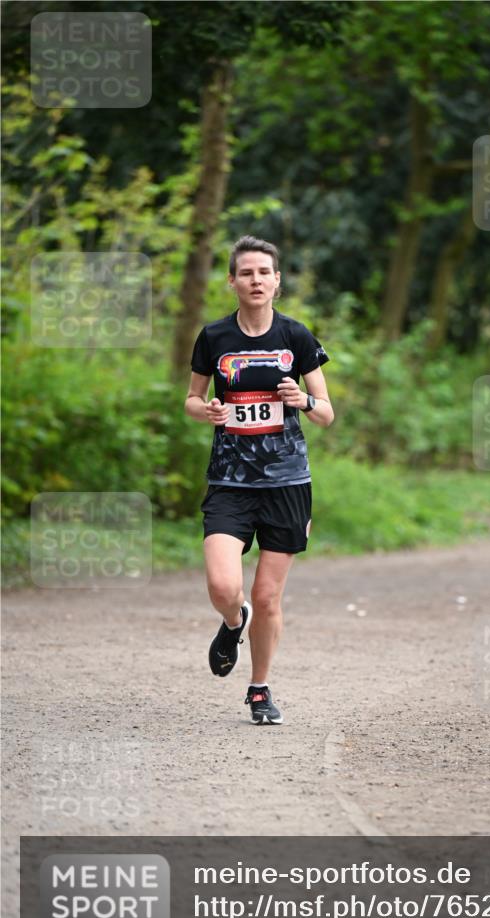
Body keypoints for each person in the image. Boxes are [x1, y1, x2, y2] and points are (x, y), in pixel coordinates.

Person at [184, 235, 334, 725]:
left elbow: (327, 413)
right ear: (232, 281)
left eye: (264, 273)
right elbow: (191, 399)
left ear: (276, 281)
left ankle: (259, 689)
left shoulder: (296, 337)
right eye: (246, 273)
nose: (255, 280)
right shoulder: (214, 337)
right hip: (230, 481)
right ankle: (234, 622)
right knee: (223, 584)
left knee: (268, 596)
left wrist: (303, 401)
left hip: (286, 483)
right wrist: (206, 410)